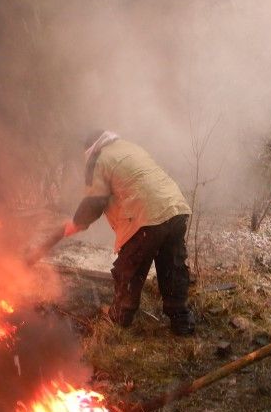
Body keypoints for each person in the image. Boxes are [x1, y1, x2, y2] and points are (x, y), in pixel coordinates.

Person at [59, 130, 196, 335]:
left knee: (129, 268)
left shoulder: (99, 158)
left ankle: (120, 317)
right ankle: (182, 322)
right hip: (175, 208)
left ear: (90, 148)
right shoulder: (129, 147)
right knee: (172, 266)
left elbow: (95, 200)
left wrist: (77, 222)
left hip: (145, 216)